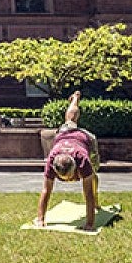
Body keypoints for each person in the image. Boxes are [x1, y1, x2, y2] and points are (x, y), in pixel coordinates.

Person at [34, 90, 99, 231]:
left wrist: (89, 224)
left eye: (69, 177)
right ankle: (75, 99)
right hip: (63, 135)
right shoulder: (52, 160)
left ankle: (98, 201)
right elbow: (46, 191)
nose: (67, 181)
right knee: (70, 121)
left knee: (93, 175)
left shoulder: (83, 160)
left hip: (85, 139)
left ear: (75, 166)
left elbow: (87, 195)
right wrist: (40, 220)